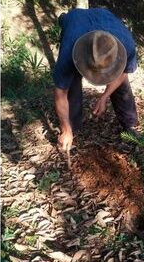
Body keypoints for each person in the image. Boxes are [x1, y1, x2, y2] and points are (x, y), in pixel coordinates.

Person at [53, 8, 139, 153]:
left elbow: (123, 74)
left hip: (105, 15)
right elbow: (60, 92)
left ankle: (130, 125)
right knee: (71, 83)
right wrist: (65, 128)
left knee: (122, 86)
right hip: (75, 20)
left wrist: (104, 96)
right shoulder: (70, 47)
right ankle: (71, 129)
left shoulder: (127, 44)